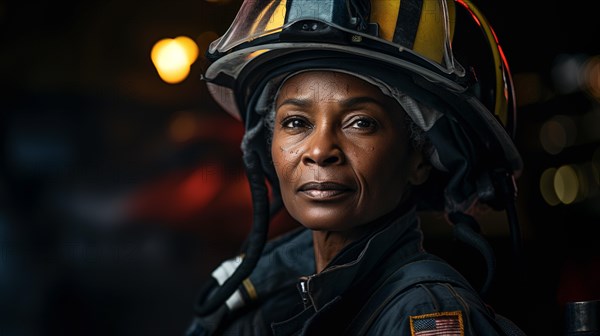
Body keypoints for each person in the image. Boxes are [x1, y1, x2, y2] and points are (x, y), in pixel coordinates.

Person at [185, 0, 527, 335]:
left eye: (360, 122)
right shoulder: (271, 308)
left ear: (420, 159)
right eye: (295, 122)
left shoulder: (426, 314)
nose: (319, 151)